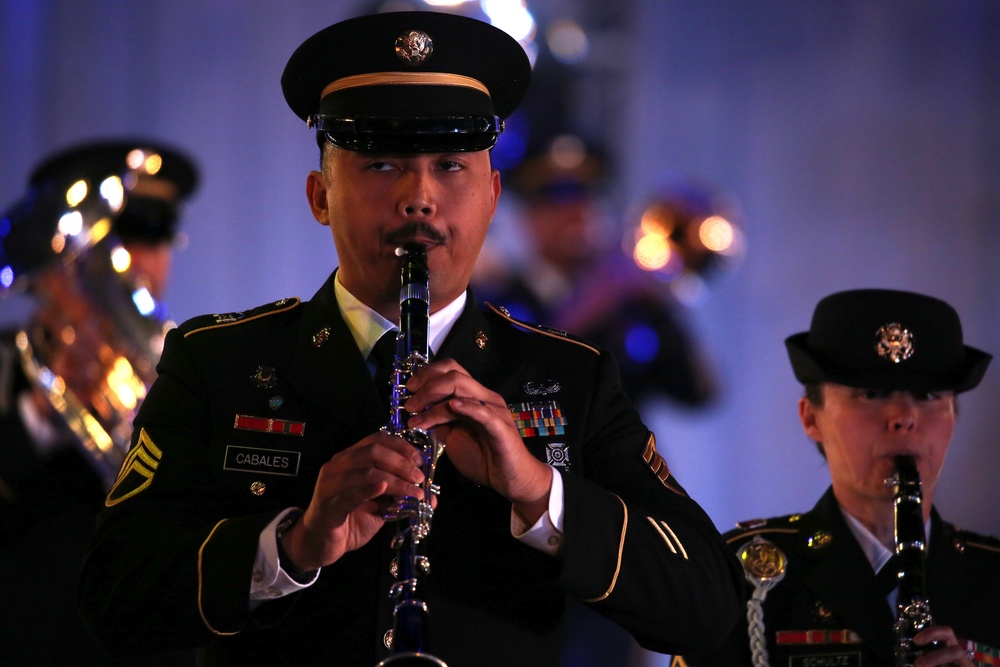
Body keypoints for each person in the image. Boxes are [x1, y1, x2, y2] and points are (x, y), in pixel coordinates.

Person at [78, 11, 744, 667]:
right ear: (319, 196)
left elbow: (710, 607)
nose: (420, 197)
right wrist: (292, 546)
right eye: (381, 164)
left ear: (491, 194)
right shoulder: (217, 361)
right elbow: (114, 597)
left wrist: (542, 493)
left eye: (451, 165)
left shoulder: (572, 376)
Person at [681, 288, 1000, 667]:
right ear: (810, 417)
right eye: (871, 393)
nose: (903, 417)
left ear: (954, 417)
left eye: (929, 395)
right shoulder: (742, 575)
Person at [0, 139, 198, 664]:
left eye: (156, 238)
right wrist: (43, 412)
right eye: (123, 237)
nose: (138, 260)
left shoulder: (193, 371)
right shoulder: (9, 366)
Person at [475, 134, 719, 408]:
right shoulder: (496, 298)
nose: (576, 212)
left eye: (585, 195)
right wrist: (594, 301)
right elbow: (509, 385)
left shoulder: (625, 302)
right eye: (556, 198)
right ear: (526, 215)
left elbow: (700, 393)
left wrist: (660, 301)